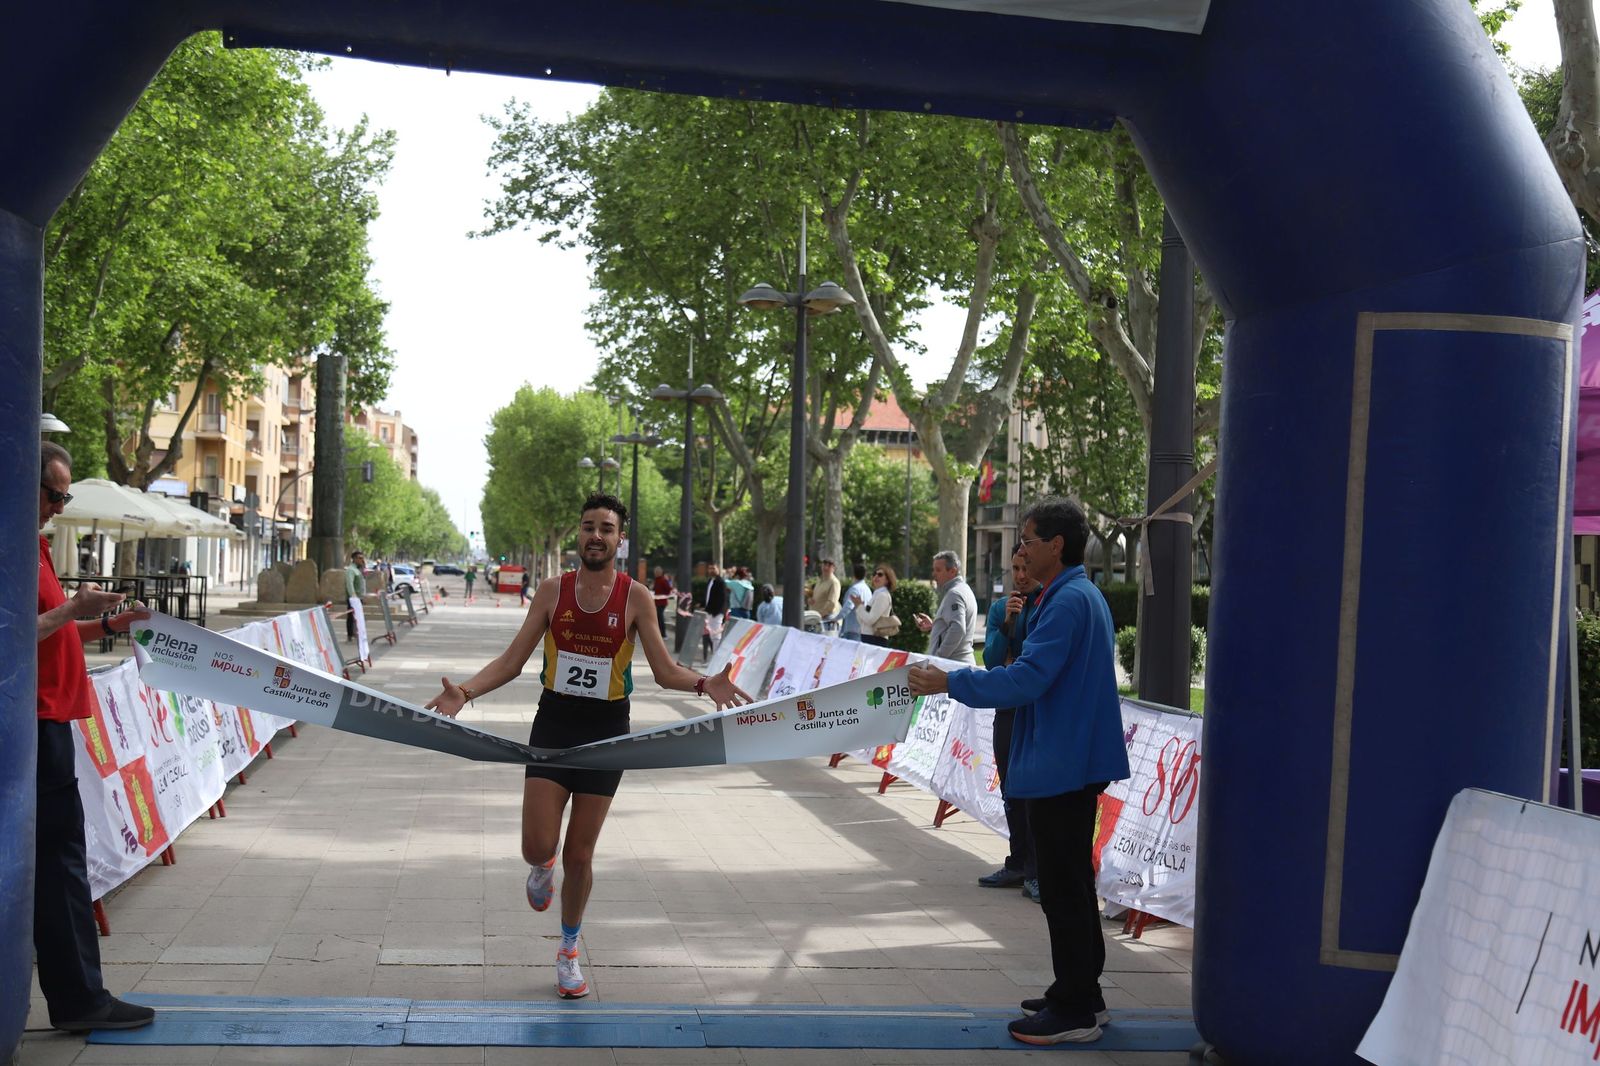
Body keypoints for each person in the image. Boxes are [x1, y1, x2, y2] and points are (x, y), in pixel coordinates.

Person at [425, 493, 752, 1000]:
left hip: (607, 730)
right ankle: (540, 868)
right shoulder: (554, 592)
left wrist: (705, 684)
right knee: (540, 846)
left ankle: (568, 949)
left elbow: (664, 671)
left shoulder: (637, 597)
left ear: (620, 540)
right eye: (587, 527)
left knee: (580, 854)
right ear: (578, 535)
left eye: (606, 528)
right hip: (554, 722)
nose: (595, 535)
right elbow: (513, 661)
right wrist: (464, 692)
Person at [908, 499, 1130, 1046]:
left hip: (1064, 763)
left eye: (1029, 539)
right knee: (1068, 883)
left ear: (1057, 545)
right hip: (1066, 760)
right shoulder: (1066, 596)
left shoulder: (1068, 601)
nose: (1021, 549)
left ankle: (1076, 1008)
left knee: (1063, 887)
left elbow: (1026, 679)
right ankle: (1080, 992)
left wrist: (949, 682)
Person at [35, 441, 156, 1033]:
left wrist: (106, 620)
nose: (60, 507)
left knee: (59, 865)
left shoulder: (32, 547)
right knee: (61, 867)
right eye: (54, 494)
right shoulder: (15, 548)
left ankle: (78, 995)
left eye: (66, 496)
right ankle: (81, 1000)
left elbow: (52, 632)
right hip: (36, 724)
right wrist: (72, 608)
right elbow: (20, 632)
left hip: (51, 720)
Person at [977, 546, 1043, 902]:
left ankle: (1036, 870)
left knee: (1032, 793)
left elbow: (1038, 658)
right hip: (1008, 709)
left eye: (1025, 567)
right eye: (1015, 568)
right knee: (1010, 791)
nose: (1020, 575)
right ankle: (1017, 862)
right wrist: (1006, 626)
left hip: (1036, 711)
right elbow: (991, 660)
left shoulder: (1049, 605)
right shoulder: (1003, 609)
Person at [914, 549, 977, 664]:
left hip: (952, 666)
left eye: (938, 570)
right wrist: (935, 626)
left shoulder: (955, 593)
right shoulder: (963, 589)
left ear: (952, 571)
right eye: (934, 570)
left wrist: (938, 658)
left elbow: (958, 629)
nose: (934, 574)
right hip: (957, 665)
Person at [854, 564, 898, 646]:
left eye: (880, 575)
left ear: (887, 580)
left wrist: (860, 607)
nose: (876, 576)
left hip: (875, 639)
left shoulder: (883, 595)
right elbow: (863, 622)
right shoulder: (876, 594)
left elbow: (870, 620)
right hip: (868, 637)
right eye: (874, 574)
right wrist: (859, 607)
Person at [345, 549, 371, 664]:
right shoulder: (351, 570)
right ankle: (350, 634)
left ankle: (357, 632)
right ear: (354, 559)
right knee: (351, 616)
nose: (361, 560)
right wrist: (353, 596)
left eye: (362, 558)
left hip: (359, 597)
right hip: (353, 598)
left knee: (358, 617)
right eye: (359, 558)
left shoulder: (359, 570)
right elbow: (349, 584)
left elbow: (362, 583)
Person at [701, 563, 729, 662]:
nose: (711, 570)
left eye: (713, 568)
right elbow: (708, 596)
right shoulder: (710, 581)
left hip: (716, 613)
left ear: (718, 569)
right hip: (708, 612)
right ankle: (711, 656)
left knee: (716, 635)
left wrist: (717, 612)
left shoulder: (720, 582)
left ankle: (716, 659)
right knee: (709, 634)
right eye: (710, 568)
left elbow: (722, 599)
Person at [839, 563, 871, 641]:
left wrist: (836, 618)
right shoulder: (868, 590)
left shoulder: (854, 589)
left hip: (852, 629)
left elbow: (848, 607)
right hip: (864, 630)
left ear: (853, 575)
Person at [808, 558, 841, 626]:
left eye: (829, 566)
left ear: (833, 568)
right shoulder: (819, 580)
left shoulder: (834, 582)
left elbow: (831, 603)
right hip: (816, 618)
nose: (826, 567)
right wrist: (810, 600)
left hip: (826, 620)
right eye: (824, 565)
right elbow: (815, 597)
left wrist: (820, 615)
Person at [652, 567, 673, 632]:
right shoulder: (657, 580)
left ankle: (663, 633)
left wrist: (664, 595)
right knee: (658, 617)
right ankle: (660, 632)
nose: (655, 573)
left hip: (662, 602)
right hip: (658, 601)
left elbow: (668, 589)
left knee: (660, 617)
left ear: (659, 573)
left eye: (656, 572)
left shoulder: (663, 580)